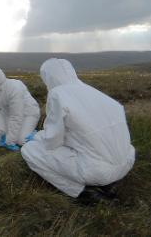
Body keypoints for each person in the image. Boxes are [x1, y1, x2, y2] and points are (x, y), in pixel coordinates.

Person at [21, 58, 135, 204]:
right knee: (94, 152)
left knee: (29, 150)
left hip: (97, 171)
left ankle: (83, 193)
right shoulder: (98, 94)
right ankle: (109, 186)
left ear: (47, 77)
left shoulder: (58, 94)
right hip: (126, 162)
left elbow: (52, 141)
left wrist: (36, 137)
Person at [0, 65, 40, 151]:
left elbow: (16, 116)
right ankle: (16, 133)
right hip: (7, 112)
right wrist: (1, 128)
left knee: (21, 140)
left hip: (28, 112)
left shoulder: (14, 88)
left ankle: (36, 134)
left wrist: (10, 141)